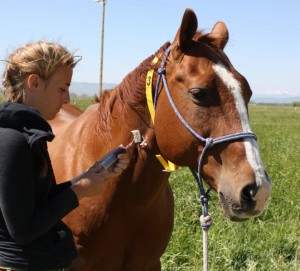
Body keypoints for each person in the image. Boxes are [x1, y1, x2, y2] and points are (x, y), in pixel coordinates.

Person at [0, 41, 130, 271]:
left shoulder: (28, 135)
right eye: (62, 88)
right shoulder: (13, 141)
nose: (68, 98)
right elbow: (22, 231)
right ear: (35, 82)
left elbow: (41, 202)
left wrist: (88, 178)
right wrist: (79, 191)